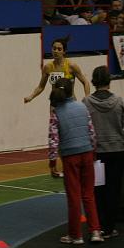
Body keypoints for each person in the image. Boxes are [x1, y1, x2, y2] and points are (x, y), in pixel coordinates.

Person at [24, 37, 91, 177]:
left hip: (70, 103)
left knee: (71, 134)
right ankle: (59, 166)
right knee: (56, 137)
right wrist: (31, 96)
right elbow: (41, 86)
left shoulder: (72, 66)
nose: (56, 51)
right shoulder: (48, 67)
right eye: (54, 48)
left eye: (59, 49)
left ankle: (75, 163)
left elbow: (85, 82)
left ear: (64, 51)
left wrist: (87, 97)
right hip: (55, 106)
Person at [48, 78, 103, 244]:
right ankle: (95, 231)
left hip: (70, 157)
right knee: (89, 194)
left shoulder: (56, 112)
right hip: (87, 152)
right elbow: (91, 132)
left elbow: (53, 140)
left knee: (74, 196)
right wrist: (93, 151)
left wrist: (52, 162)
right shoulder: (82, 107)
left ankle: (75, 234)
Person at [83, 66, 124, 238]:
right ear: (109, 80)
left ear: (94, 81)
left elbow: (86, 126)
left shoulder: (86, 102)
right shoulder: (118, 101)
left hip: (97, 153)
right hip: (117, 150)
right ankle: (109, 227)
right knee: (114, 189)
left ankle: (98, 225)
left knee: (97, 190)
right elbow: (122, 124)